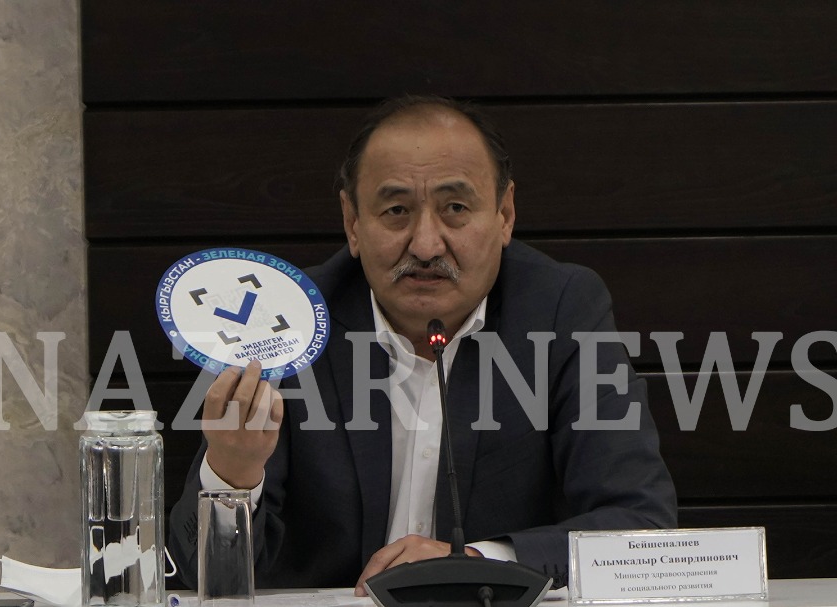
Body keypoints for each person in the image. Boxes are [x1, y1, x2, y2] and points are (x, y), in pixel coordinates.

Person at [168, 95, 677, 593]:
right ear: (352, 223)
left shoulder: (561, 311)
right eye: (396, 211)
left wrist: (477, 562)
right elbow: (201, 573)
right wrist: (232, 477)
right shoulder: (285, 325)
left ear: (504, 214)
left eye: (455, 208)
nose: (426, 245)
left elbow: (641, 526)